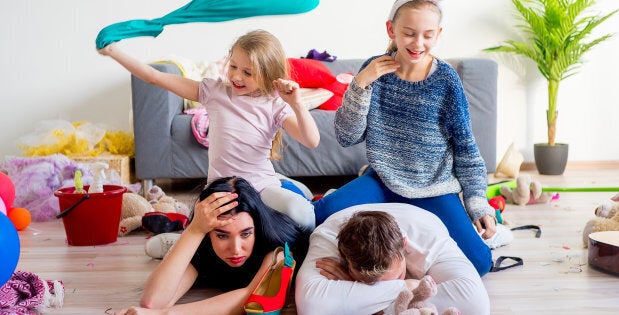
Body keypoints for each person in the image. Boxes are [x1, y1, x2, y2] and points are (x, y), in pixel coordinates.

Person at [312, 0, 496, 275]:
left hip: (433, 187)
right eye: (409, 33)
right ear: (391, 30)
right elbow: (346, 137)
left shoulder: (446, 81)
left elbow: (466, 149)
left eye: (428, 35)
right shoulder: (372, 71)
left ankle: (395, 254)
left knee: (479, 263)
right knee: (323, 214)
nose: (418, 43)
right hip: (383, 179)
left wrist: (478, 203)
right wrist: (360, 84)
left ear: (438, 33)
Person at [98, 29, 320, 232]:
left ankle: (285, 185)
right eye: (233, 66)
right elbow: (153, 77)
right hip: (222, 190)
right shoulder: (213, 91)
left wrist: (297, 104)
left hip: (261, 186)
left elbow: (311, 141)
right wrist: (113, 51)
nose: (236, 76)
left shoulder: (274, 105)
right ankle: (286, 187)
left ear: (268, 75)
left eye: (247, 72)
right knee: (197, 237)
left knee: (304, 217)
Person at [114, 176, 308, 315]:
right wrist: (194, 231)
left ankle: (173, 242)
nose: (236, 249)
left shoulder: (275, 245)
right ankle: (179, 239)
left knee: (304, 209)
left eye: (246, 234)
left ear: (256, 228)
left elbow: (251, 295)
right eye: (222, 236)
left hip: (288, 190)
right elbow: (152, 301)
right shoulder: (204, 240)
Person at [295, 203, 490, 315]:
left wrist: (356, 293)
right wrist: (410, 285)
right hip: (347, 211)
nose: (385, 286)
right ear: (343, 259)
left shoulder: (429, 239)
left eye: (397, 276)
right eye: (369, 284)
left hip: (420, 214)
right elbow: (311, 306)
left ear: (404, 244)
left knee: (481, 260)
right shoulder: (327, 237)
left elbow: (477, 303)